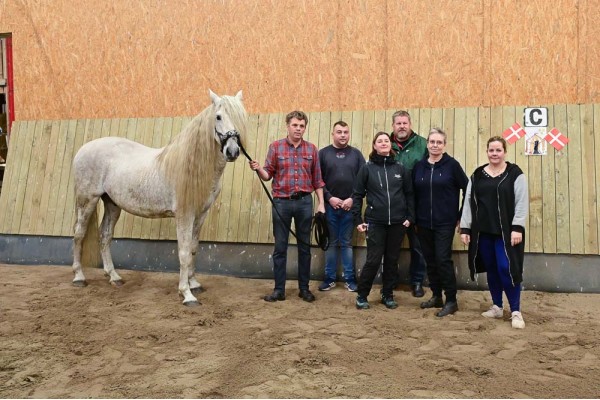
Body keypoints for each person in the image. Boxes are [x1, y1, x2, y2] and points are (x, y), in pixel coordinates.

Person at [249, 111, 326, 303]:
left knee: (304, 248)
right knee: (280, 247)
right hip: (281, 203)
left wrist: (321, 204)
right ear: (288, 126)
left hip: (304, 203)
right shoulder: (275, 147)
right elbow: (267, 175)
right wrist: (259, 168)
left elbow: (317, 180)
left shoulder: (311, 150)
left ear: (304, 128)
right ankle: (279, 290)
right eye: (295, 125)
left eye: (301, 126)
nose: (298, 129)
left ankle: (304, 289)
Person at [460, 136, 529, 329]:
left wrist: (517, 227)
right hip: (483, 233)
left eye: (498, 150)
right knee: (491, 269)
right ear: (487, 152)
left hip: (506, 233)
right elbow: (468, 201)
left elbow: (521, 203)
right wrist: (466, 227)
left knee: (506, 268)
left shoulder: (515, 174)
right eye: (491, 150)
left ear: (505, 152)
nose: (495, 154)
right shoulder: (478, 175)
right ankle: (497, 307)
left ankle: (515, 311)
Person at [351, 132, 415, 310]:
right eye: (380, 141)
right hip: (375, 222)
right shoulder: (367, 168)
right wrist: (357, 219)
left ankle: (387, 294)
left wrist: (410, 217)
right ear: (375, 146)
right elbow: (357, 195)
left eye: (386, 140)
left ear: (391, 145)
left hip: (397, 222)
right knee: (373, 260)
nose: (384, 143)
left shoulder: (400, 168)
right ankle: (362, 296)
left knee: (392, 260)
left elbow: (409, 194)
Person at [413, 128, 468, 317]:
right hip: (423, 223)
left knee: (443, 260)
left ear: (444, 145)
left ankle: (451, 300)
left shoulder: (452, 166)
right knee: (430, 261)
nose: (435, 145)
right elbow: (413, 193)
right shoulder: (419, 166)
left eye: (439, 142)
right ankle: (436, 296)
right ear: (427, 144)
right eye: (432, 142)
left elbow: (468, 189)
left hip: (445, 223)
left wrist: (461, 215)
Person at [318, 121, 365, 292]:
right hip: (330, 207)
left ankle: (350, 279)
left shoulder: (357, 155)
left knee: (346, 243)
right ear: (333, 134)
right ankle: (329, 278)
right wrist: (329, 198)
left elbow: (363, 181)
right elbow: (318, 180)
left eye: (346, 131)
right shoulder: (323, 154)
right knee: (331, 243)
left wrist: (352, 199)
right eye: (339, 132)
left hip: (349, 208)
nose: (343, 135)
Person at [389, 110, 428, 297]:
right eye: (398, 123)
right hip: (392, 205)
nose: (402, 126)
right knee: (390, 247)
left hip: (417, 205)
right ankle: (391, 280)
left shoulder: (422, 145)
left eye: (405, 123)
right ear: (393, 126)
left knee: (418, 247)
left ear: (410, 124)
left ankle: (417, 282)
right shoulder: (385, 144)